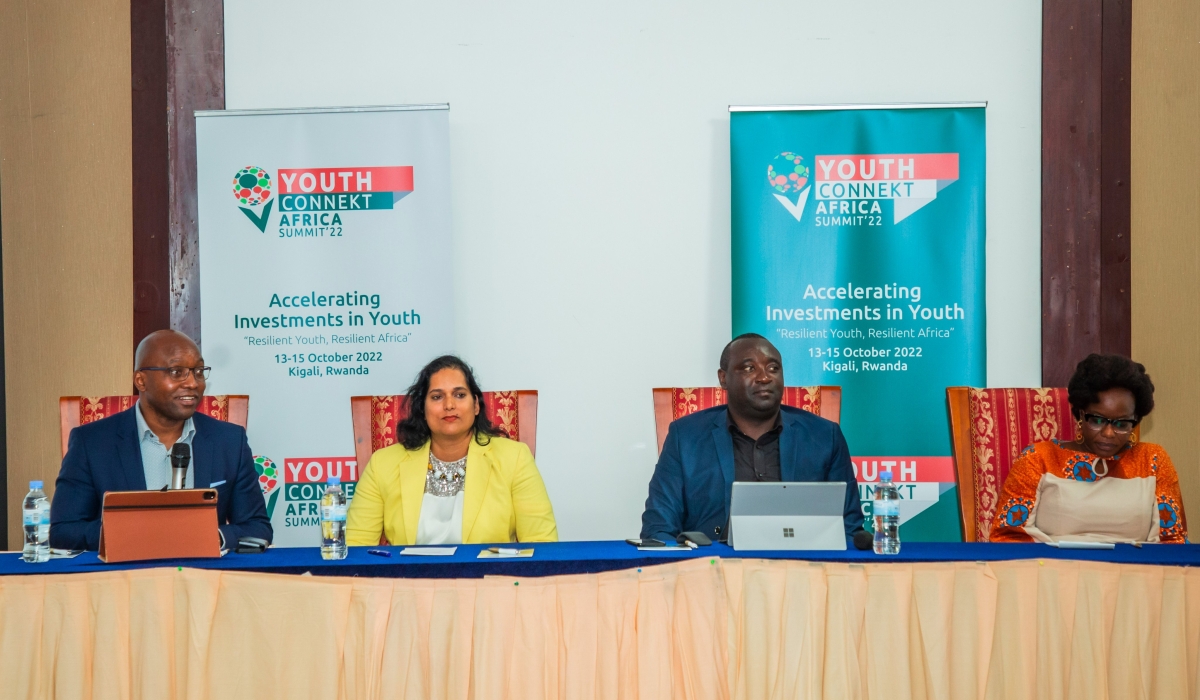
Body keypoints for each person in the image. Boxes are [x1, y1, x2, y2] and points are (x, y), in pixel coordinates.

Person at [50, 330, 272, 551]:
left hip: (203, 578)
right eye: (177, 372)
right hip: (126, 578)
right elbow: (64, 532)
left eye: (198, 372)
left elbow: (257, 526)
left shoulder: (230, 441)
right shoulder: (92, 443)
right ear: (141, 380)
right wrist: (142, 533)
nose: (193, 383)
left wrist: (212, 536)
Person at [640, 333, 863, 543]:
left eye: (773, 368)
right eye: (749, 368)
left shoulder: (823, 436)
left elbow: (849, 527)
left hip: (802, 570)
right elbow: (658, 526)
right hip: (713, 570)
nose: (764, 377)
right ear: (723, 378)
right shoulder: (686, 436)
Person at [346, 355, 557, 546]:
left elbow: (542, 544)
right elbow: (355, 547)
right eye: (437, 397)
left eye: (459, 395)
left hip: (488, 583)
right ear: (423, 409)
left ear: (476, 405)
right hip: (409, 584)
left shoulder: (515, 458)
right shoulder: (383, 463)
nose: (449, 405)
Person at [991, 354, 1187, 543]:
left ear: (1135, 421)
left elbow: (1172, 540)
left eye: (1122, 424)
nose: (1109, 433)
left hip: (1134, 572)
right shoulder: (1039, 459)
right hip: (1055, 570)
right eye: (1098, 420)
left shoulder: (1152, 460)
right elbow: (1008, 536)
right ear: (1080, 415)